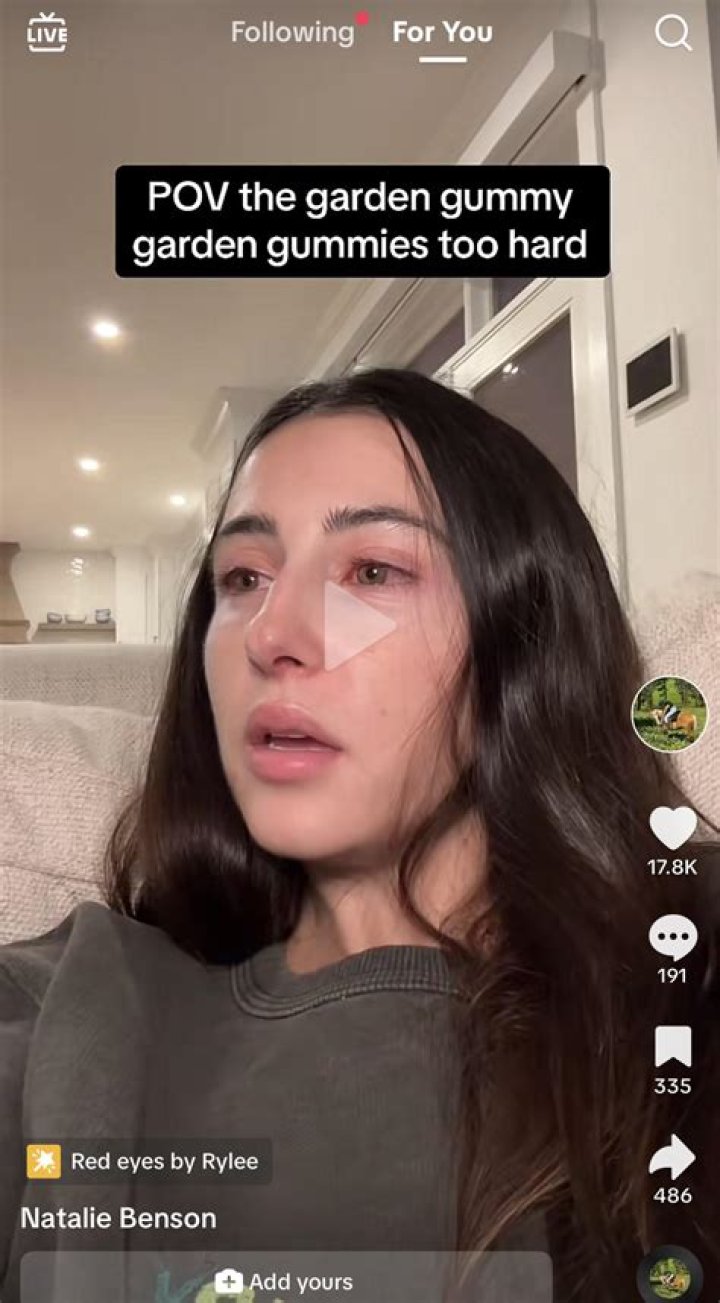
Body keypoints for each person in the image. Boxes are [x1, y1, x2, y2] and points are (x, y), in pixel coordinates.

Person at [1, 368, 719, 1303]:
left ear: (524, 636)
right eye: (243, 577)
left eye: (372, 571)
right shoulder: (77, 1000)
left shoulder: (685, 963)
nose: (271, 633)